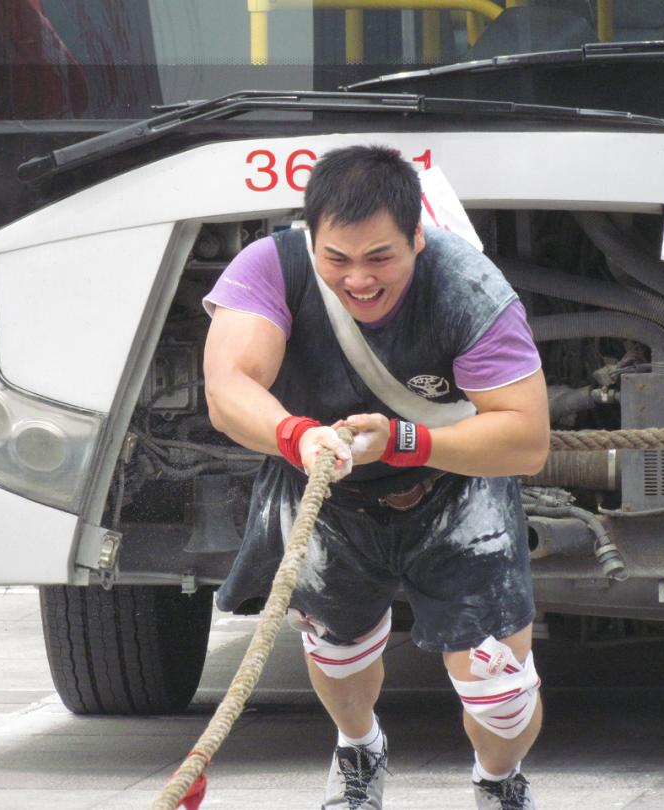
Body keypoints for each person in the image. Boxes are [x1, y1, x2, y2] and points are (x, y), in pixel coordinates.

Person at [202, 145, 551, 810]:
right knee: (339, 657)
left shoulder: (468, 289)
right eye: (338, 258)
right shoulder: (270, 268)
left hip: (456, 485)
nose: (358, 279)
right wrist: (299, 436)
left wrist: (405, 441)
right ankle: (360, 747)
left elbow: (527, 438)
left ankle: (499, 778)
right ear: (312, 239)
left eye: (380, 257)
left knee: (501, 695)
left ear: (417, 237)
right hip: (323, 487)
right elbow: (228, 390)